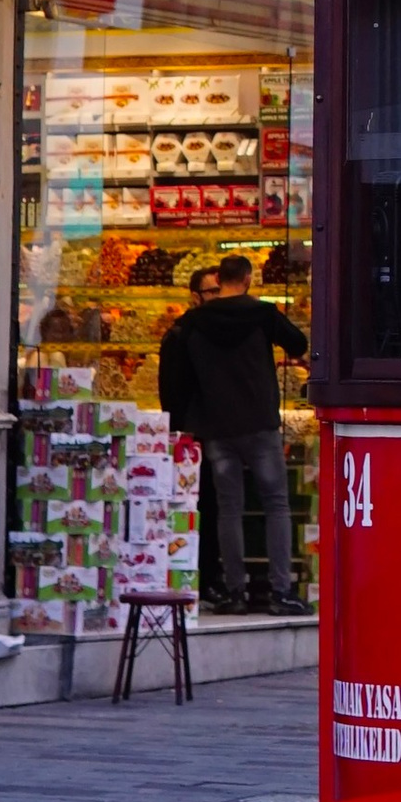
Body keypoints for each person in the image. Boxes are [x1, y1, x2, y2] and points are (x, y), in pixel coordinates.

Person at [157, 253, 309, 612]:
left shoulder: (193, 322)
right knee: (276, 505)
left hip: (217, 428)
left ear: (219, 281)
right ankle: (280, 592)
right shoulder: (262, 313)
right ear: (248, 278)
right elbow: (299, 344)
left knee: (229, 509)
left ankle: (235, 592)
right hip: (259, 423)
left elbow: (181, 376)